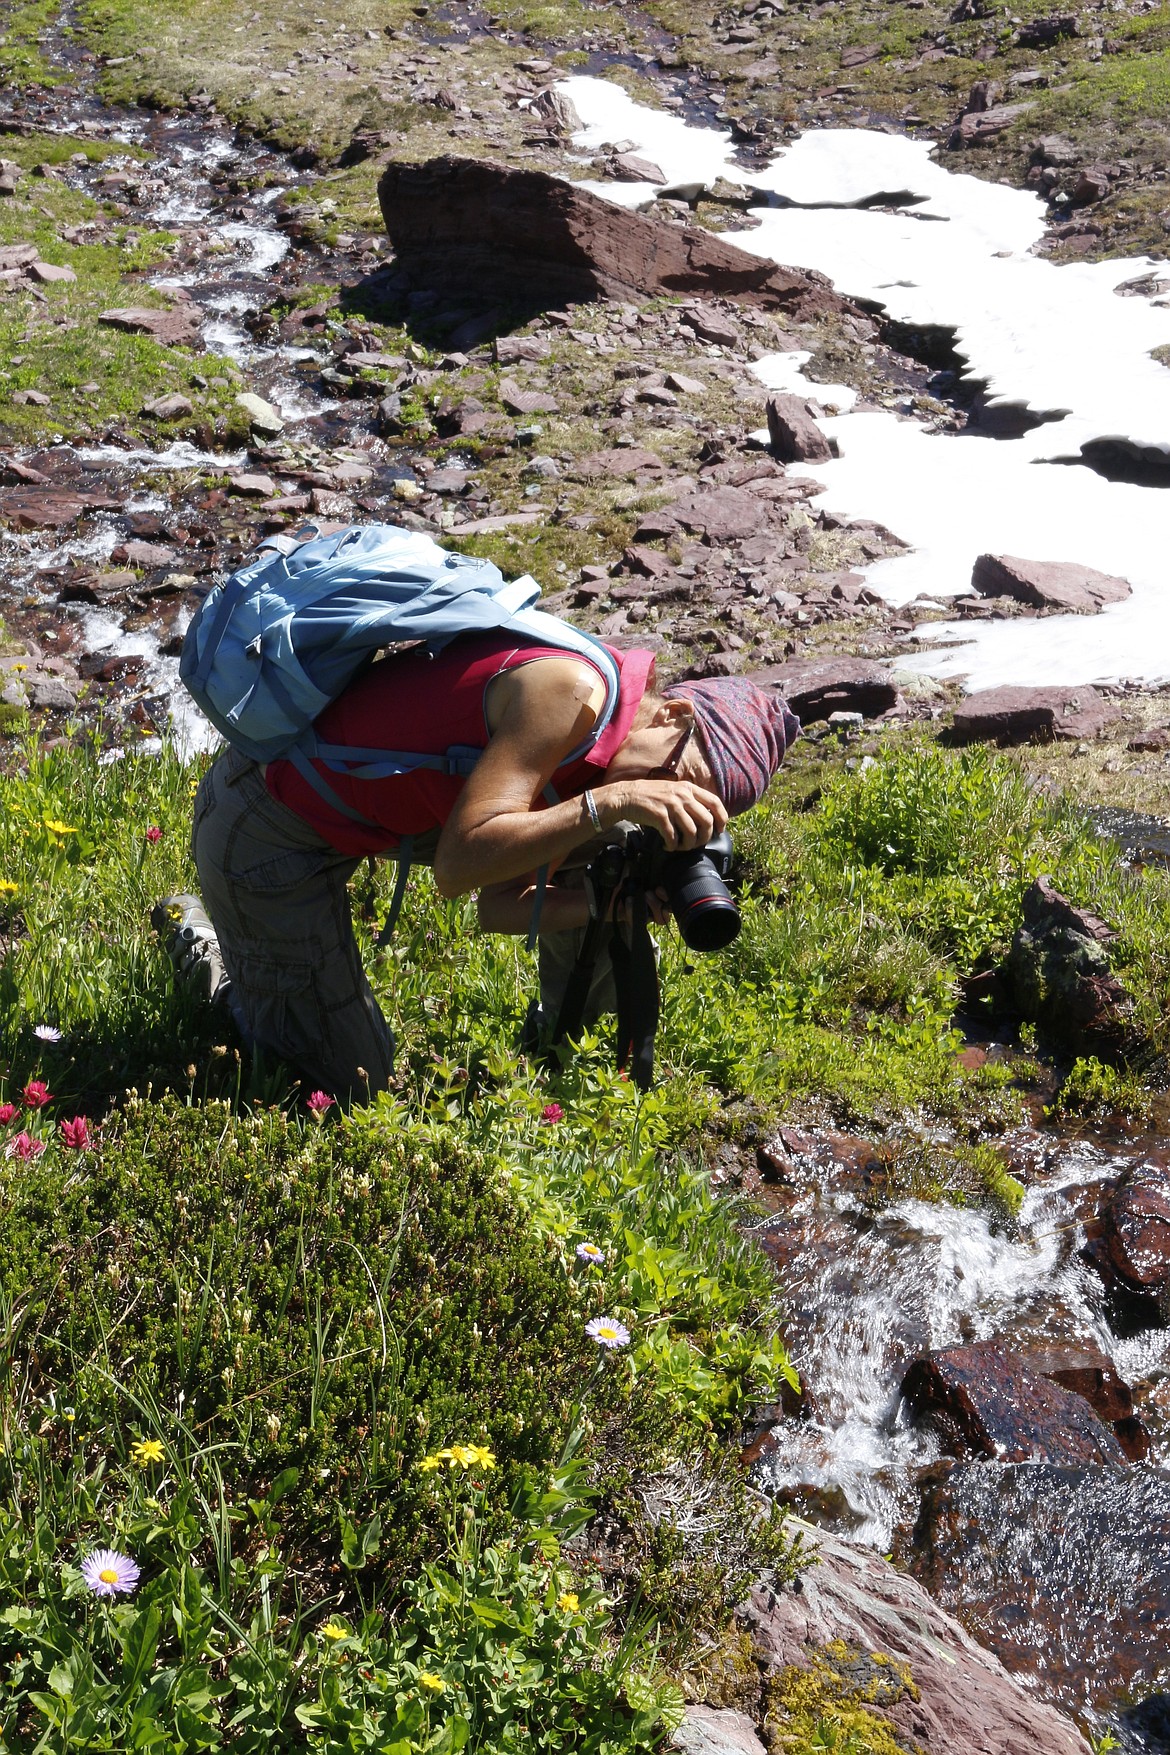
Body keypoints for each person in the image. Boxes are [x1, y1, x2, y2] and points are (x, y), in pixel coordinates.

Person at [160, 615, 797, 1104]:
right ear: (676, 714)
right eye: (678, 778)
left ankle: (572, 1065)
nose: (666, 798)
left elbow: (499, 906)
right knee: (350, 1085)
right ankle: (208, 948)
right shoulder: (572, 695)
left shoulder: (599, 761)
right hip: (265, 825)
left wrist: (609, 897)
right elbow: (460, 869)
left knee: (604, 849)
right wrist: (615, 801)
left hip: (354, 823)